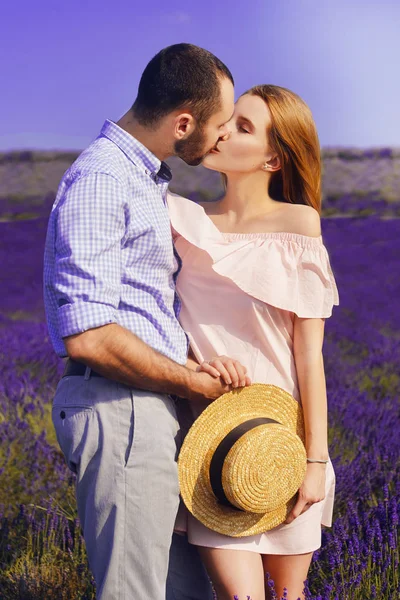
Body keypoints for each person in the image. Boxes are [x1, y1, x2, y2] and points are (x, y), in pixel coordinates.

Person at [43, 43, 249, 600]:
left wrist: (192, 364)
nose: (224, 135)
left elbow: (140, 313)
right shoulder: (104, 180)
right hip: (121, 410)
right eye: (220, 123)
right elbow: (88, 335)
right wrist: (189, 381)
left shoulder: (141, 181)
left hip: (148, 409)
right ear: (184, 121)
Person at [167, 84, 339, 600]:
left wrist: (315, 463)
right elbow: (157, 321)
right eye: (227, 120)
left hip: (282, 444)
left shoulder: (298, 225)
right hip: (213, 448)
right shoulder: (182, 221)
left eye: (243, 127)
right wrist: (192, 361)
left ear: (274, 157)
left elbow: (310, 357)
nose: (222, 132)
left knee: (290, 596)